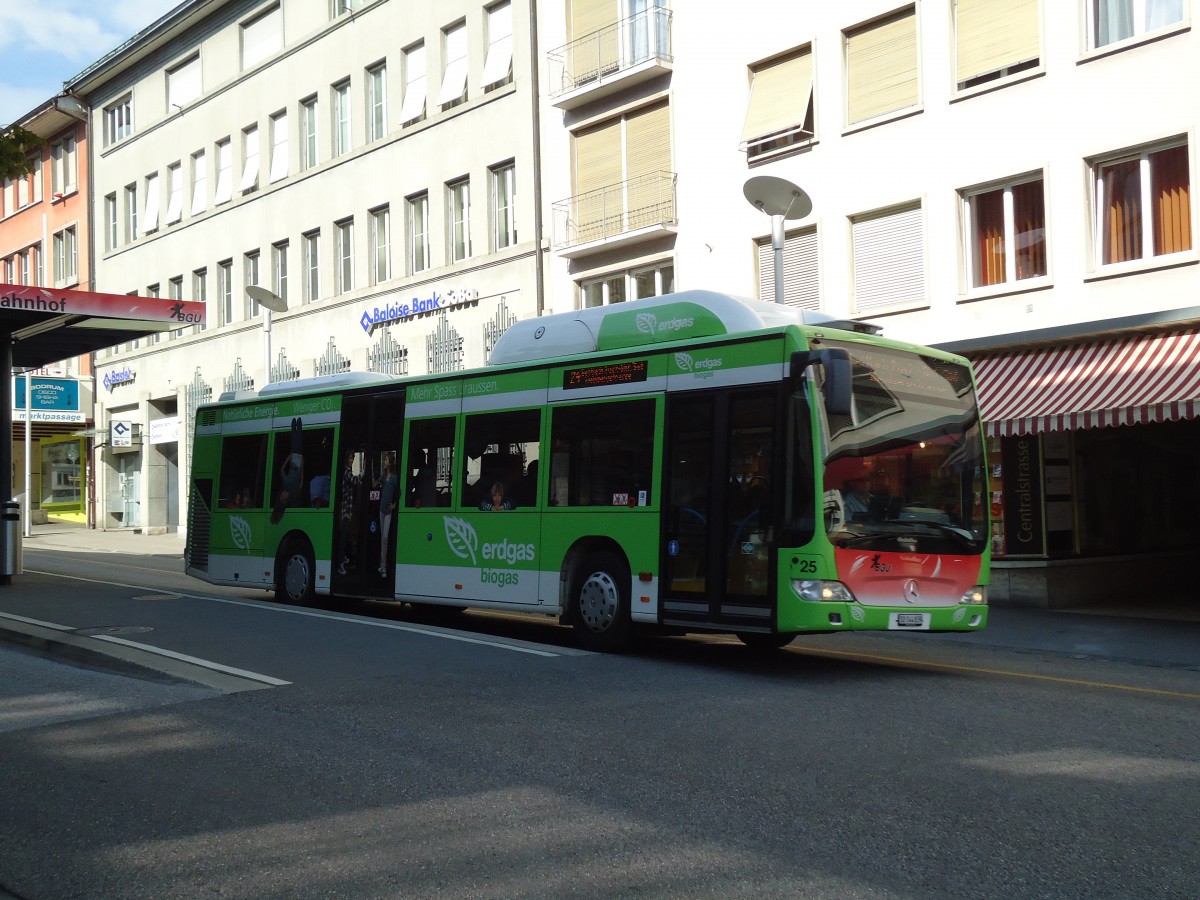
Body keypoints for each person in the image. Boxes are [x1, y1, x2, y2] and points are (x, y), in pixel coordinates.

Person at [337, 450, 359, 576]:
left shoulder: (347, 471)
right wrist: (361, 474)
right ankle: (340, 563)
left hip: (348, 509)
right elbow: (355, 482)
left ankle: (343, 557)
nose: (351, 460)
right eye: (350, 458)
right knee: (343, 536)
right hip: (345, 509)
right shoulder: (346, 471)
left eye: (352, 458)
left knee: (346, 536)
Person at [377, 452, 398, 577]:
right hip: (381, 509)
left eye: (385, 460)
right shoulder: (383, 477)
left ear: (390, 463)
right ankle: (381, 565)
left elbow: (398, 493)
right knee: (382, 539)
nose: (384, 462)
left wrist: (394, 505)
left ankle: (384, 566)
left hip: (388, 511)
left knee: (385, 538)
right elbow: (375, 484)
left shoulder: (394, 478)